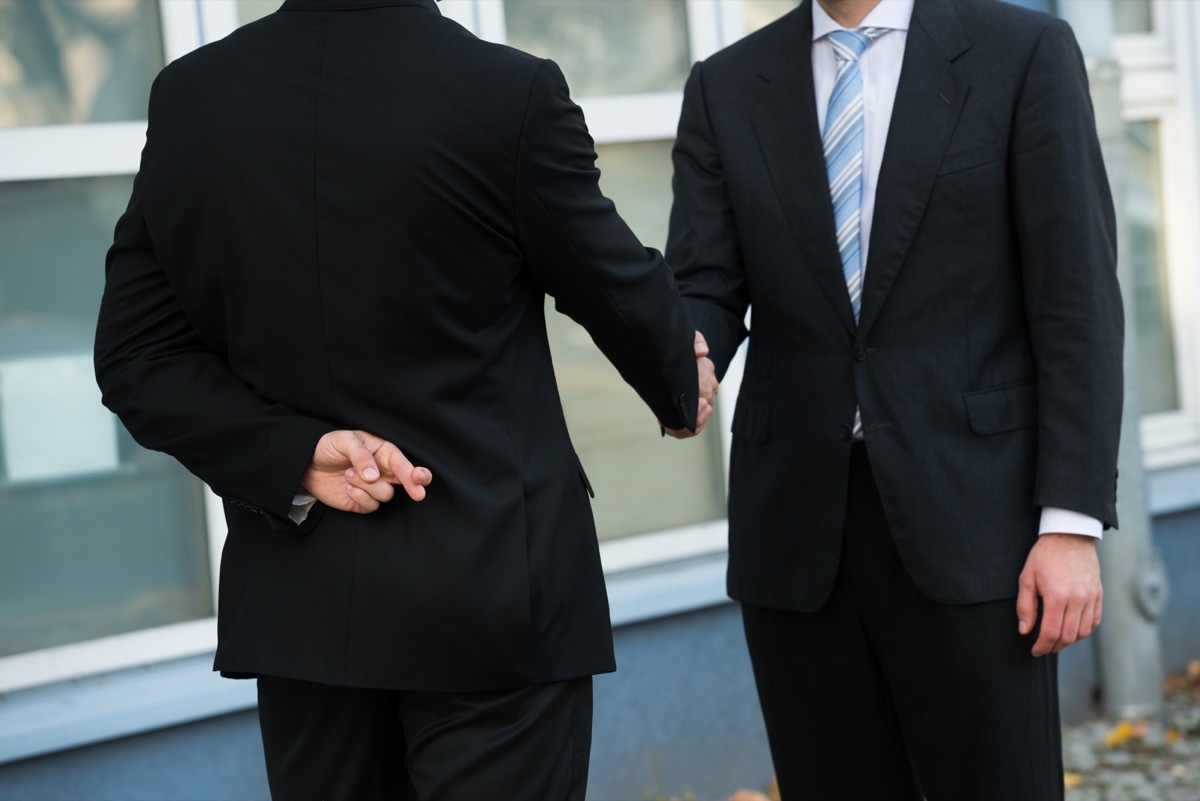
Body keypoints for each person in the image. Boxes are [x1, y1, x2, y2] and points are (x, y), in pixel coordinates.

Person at [93, 0, 716, 798]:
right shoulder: (506, 93)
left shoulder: (192, 95)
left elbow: (137, 356)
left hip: (302, 612)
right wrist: (678, 380)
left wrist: (295, 456)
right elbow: (608, 276)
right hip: (492, 593)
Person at [666, 0, 1122, 798]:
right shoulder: (726, 84)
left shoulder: (1023, 53)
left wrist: (1071, 523)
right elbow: (705, 281)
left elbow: (1075, 299)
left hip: (979, 526)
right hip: (797, 536)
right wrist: (683, 361)